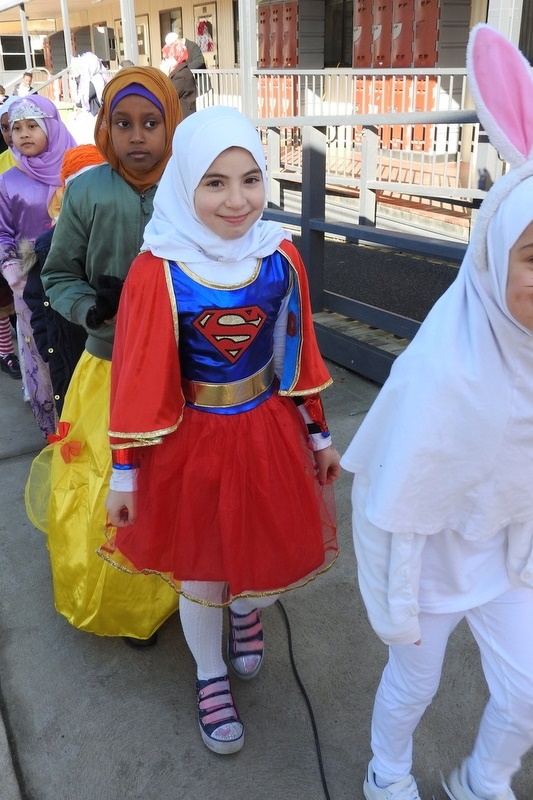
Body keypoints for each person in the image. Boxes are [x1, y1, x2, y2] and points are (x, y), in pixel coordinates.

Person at [102, 105, 340, 754]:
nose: (237, 201)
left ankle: (247, 611)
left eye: (249, 179)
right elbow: (137, 378)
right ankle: (209, 672)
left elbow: (297, 355)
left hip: (265, 433)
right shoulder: (161, 268)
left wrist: (317, 434)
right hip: (190, 441)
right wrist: (124, 470)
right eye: (214, 183)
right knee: (203, 569)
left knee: (262, 546)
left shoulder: (278, 257)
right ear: (185, 186)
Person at [340, 24, 533, 800]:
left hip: (504, 563)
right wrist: (391, 601)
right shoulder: (440, 371)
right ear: (493, 254)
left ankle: (481, 778)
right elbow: (385, 492)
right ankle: (386, 772)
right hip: (423, 573)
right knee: (411, 684)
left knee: (523, 688)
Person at [25, 67, 182, 642]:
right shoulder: (88, 192)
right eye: (123, 124)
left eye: (150, 123)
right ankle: (121, 603)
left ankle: (188, 594)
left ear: (172, 127)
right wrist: (93, 309)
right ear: (105, 128)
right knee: (109, 484)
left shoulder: (191, 187)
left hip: (179, 372)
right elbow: (58, 274)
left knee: (173, 483)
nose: (137, 136)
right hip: (108, 367)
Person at [0, 95, 77, 435]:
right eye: (17, 128)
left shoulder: (74, 171)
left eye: (33, 126)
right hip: (28, 285)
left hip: (74, 281)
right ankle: (52, 431)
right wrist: (13, 271)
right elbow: (2, 232)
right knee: (39, 355)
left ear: (52, 127)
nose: (24, 134)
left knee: (73, 350)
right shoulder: (8, 181)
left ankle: (82, 423)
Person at [22, 145, 105, 416]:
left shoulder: (124, 236)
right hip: (69, 359)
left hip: (109, 357)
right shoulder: (48, 246)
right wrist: (49, 348)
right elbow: (37, 300)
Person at [0, 96, 19, 379]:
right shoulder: (3, 161)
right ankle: (5, 351)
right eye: (5, 127)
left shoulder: (53, 155)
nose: (13, 134)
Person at [166, 38, 197, 118]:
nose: (166, 61)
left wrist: (164, 74)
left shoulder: (181, 75)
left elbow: (167, 96)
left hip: (183, 117)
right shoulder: (181, 71)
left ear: (176, 58)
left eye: (168, 58)